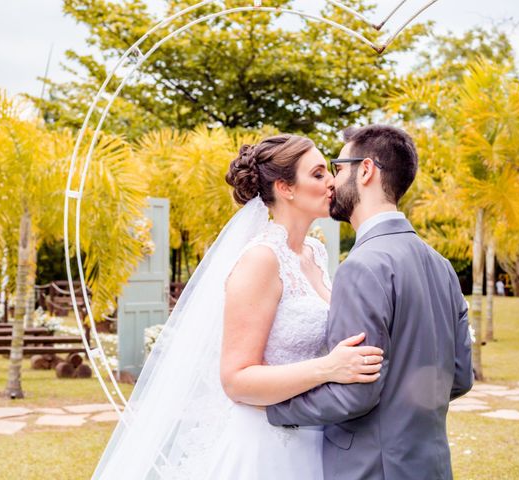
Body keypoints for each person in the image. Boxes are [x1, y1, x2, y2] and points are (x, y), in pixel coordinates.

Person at [93, 134, 383, 479]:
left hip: (314, 435)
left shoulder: (315, 254)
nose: (333, 181)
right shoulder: (261, 259)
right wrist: (328, 369)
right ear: (285, 188)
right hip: (267, 446)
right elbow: (236, 380)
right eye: (318, 174)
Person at [266, 125, 474, 479]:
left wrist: (273, 409)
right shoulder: (441, 265)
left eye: (338, 168)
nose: (332, 182)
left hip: (372, 467)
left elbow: (354, 397)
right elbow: (459, 376)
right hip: (431, 465)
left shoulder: (362, 267)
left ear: (365, 170)